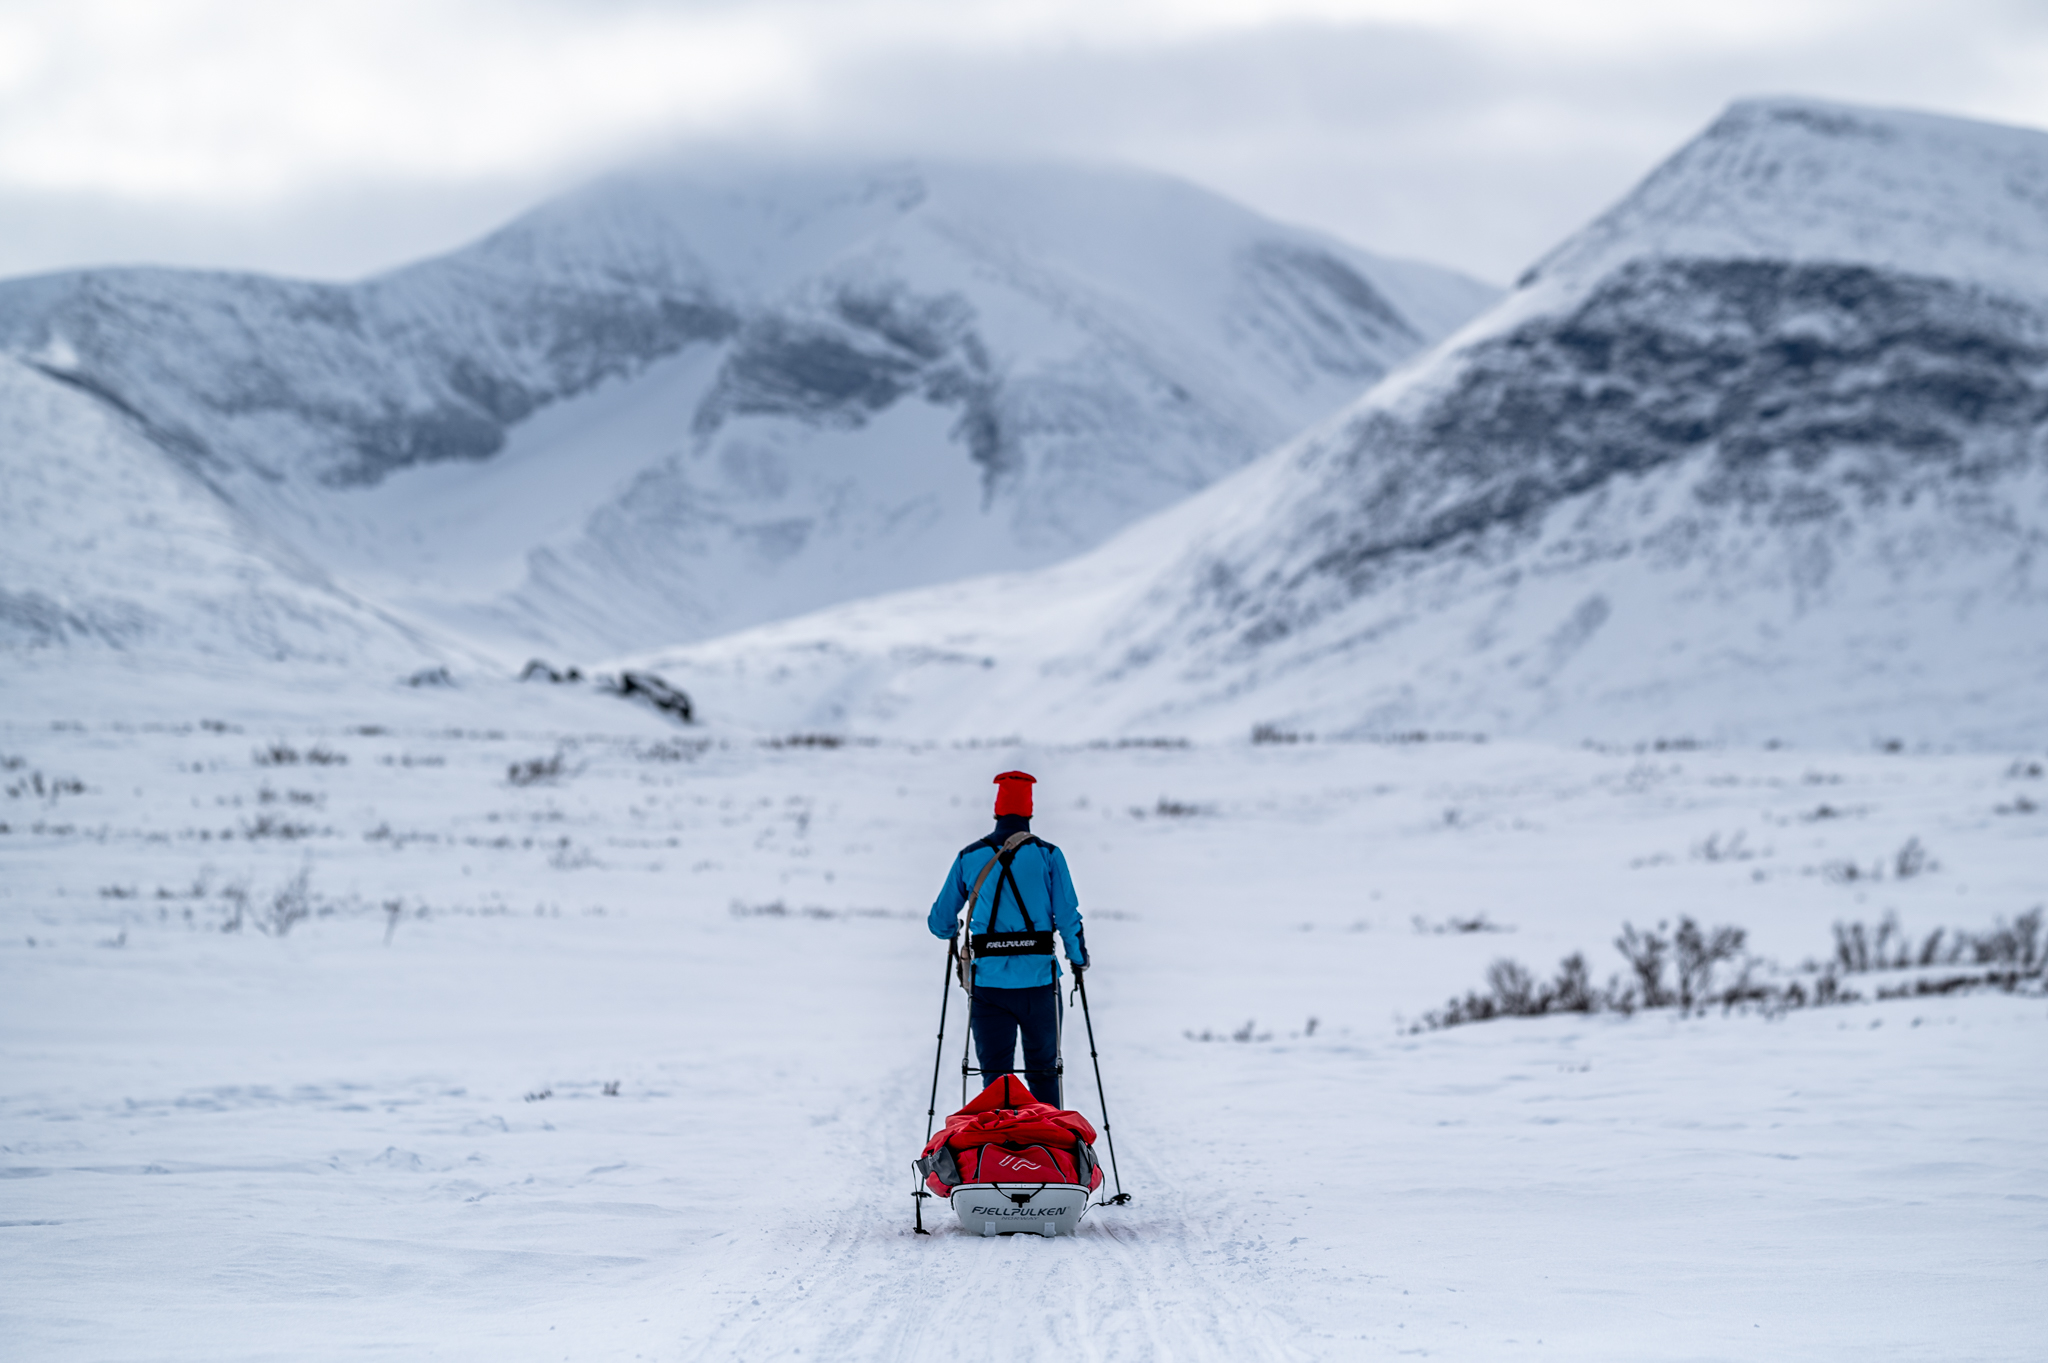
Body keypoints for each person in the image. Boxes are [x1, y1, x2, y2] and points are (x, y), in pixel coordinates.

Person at [927, 770, 1087, 1109]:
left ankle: (999, 1154)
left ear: (997, 810)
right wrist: (1078, 957)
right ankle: (1049, 1152)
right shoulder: (1048, 855)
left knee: (996, 1079)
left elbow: (940, 922)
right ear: (1029, 811)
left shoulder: (969, 857)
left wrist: (953, 931)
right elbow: (1068, 915)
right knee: (1044, 1074)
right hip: (1041, 986)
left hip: (988, 989)